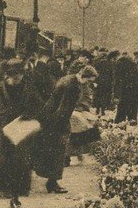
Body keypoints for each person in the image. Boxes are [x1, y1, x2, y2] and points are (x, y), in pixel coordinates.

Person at [0, 59, 42, 208]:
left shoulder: (29, 89)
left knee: (20, 164)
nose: (17, 79)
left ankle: (15, 198)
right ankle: (5, 189)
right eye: (13, 76)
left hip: (21, 131)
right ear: (6, 76)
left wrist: (30, 116)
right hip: (2, 132)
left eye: (20, 76)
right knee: (2, 162)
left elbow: (39, 106)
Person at [32, 65, 98, 194]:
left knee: (50, 151)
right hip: (57, 122)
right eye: (89, 81)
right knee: (58, 152)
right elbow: (64, 108)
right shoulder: (73, 87)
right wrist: (63, 125)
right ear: (84, 76)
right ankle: (52, 183)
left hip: (49, 117)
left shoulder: (68, 79)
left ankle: (51, 181)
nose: (88, 84)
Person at [113, 52, 138, 123]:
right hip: (134, 89)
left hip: (124, 89)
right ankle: (132, 119)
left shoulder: (119, 65)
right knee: (133, 106)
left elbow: (117, 81)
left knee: (122, 106)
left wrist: (116, 94)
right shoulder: (133, 65)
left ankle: (120, 121)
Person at [93, 50, 116, 116]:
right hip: (107, 82)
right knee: (104, 96)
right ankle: (103, 110)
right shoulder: (110, 63)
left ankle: (97, 109)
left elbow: (95, 73)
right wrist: (112, 81)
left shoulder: (97, 63)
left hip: (99, 82)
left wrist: (95, 81)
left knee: (98, 95)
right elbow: (112, 74)